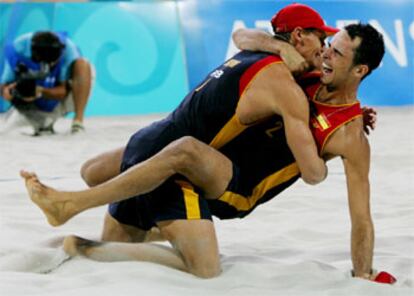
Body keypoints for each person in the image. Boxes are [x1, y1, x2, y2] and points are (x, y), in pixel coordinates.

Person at [21, 4, 394, 283]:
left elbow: (359, 215)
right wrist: (279, 47)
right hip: (207, 169)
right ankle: (78, 234)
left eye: (337, 52)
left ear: (360, 71)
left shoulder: (350, 134)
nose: (325, 53)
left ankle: (79, 214)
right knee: (129, 229)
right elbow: (245, 38)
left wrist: (364, 273)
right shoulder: (307, 74)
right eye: (327, 44)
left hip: (237, 187)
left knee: (176, 155)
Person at [0, 31, 92, 135]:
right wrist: (11, 93)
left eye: (54, 62)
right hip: (28, 107)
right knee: (13, 132)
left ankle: (78, 122)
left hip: (58, 101)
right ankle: (41, 122)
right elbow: (4, 86)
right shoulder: (17, 50)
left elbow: (62, 91)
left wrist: (40, 91)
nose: (51, 65)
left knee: (83, 65)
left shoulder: (68, 49)